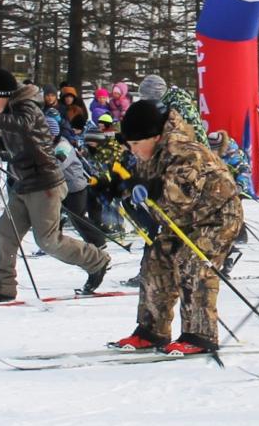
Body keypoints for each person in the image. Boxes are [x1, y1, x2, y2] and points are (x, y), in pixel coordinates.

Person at [100, 99, 245, 355]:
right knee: (155, 260)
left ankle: (199, 335)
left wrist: (145, 189)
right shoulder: (151, 152)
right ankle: (151, 330)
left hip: (217, 216)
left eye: (135, 144)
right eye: (129, 144)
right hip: (183, 220)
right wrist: (120, 187)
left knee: (193, 263)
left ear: (154, 136)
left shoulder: (184, 151)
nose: (132, 150)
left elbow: (179, 198)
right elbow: (147, 189)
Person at [0, 68, 109, 304]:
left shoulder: (26, 108)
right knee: (5, 233)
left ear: (4, 94)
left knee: (48, 241)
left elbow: (22, 125)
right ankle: (2, 287)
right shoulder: (10, 112)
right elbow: (9, 140)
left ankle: (97, 260)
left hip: (45, 183)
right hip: (24, 184)